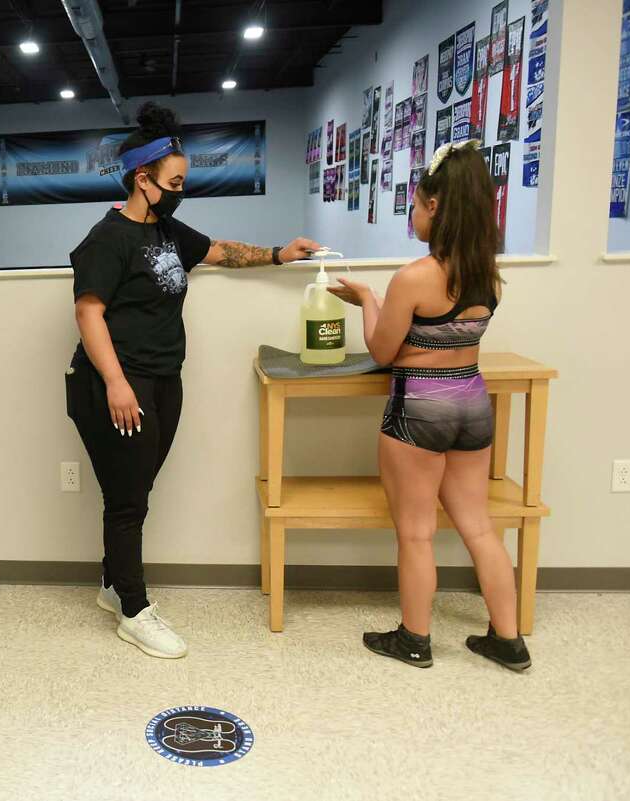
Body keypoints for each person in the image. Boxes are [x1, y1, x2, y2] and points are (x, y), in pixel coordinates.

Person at [65, 102, 318, 659]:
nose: (182, 190)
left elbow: (222, 251)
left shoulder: (168, 229)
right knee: (127, 501)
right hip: (115, 385)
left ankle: (113, 585)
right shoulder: (107, 239)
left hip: (161, 381)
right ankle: (134, 609)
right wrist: (116, 383)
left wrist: (280, 254)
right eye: (175, 181)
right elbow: (88, 314)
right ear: (143, 179)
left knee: (136, 490)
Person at [328, 140, 531, 672]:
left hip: (420, 404)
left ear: (435, 206)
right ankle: (508, 641)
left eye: (414, 205)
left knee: (416, 531)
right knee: (479, 526)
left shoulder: (415, 278)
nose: (412, 215)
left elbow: (382, 350)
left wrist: (368, 301)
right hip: (471, 399)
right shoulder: (488, 275)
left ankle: (414, 639)